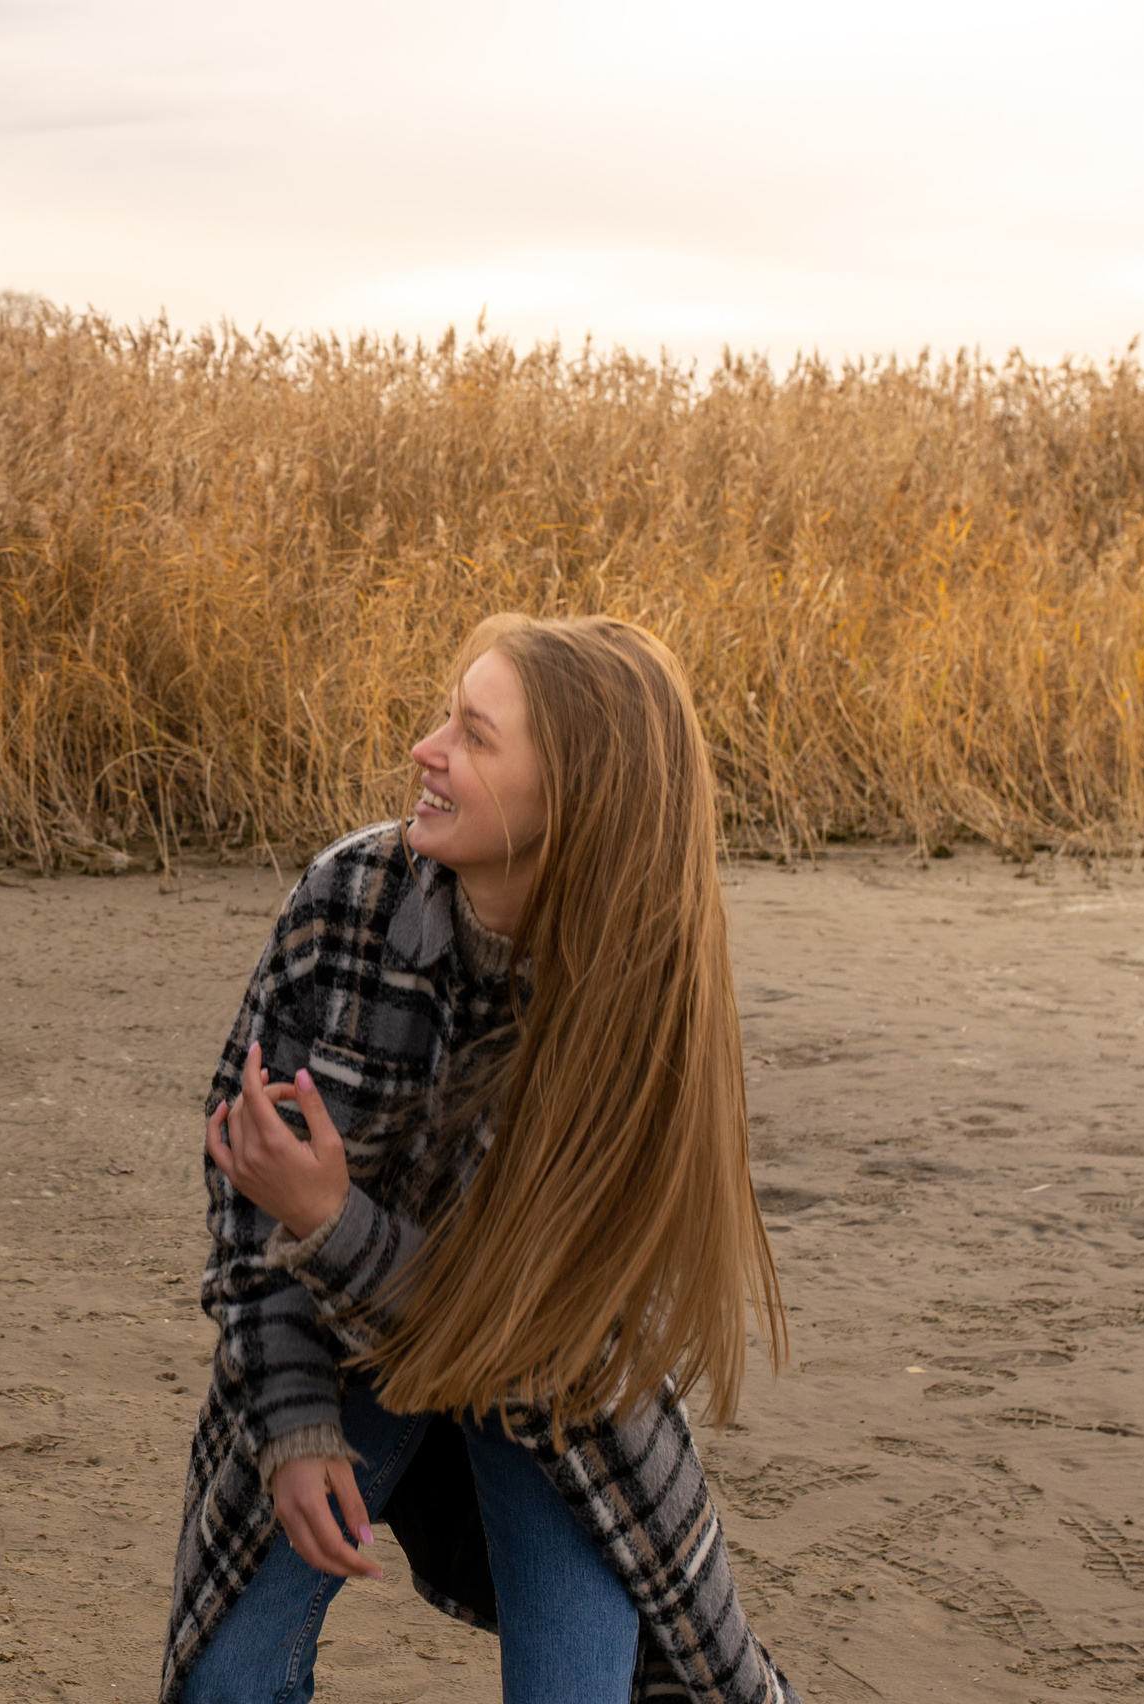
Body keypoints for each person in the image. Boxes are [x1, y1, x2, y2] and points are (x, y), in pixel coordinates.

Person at [163, 613, 802, 1704]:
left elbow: (534, 1336)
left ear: (575, 796)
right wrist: (292, 1420)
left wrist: (328, 1220)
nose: (424, 748)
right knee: (224, 1679)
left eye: (472, 732)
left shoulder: (645, 1015)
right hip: (331, 1350)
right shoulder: (343, 901)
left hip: (560, 1406)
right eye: (442, 716)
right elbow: (242, 1203)